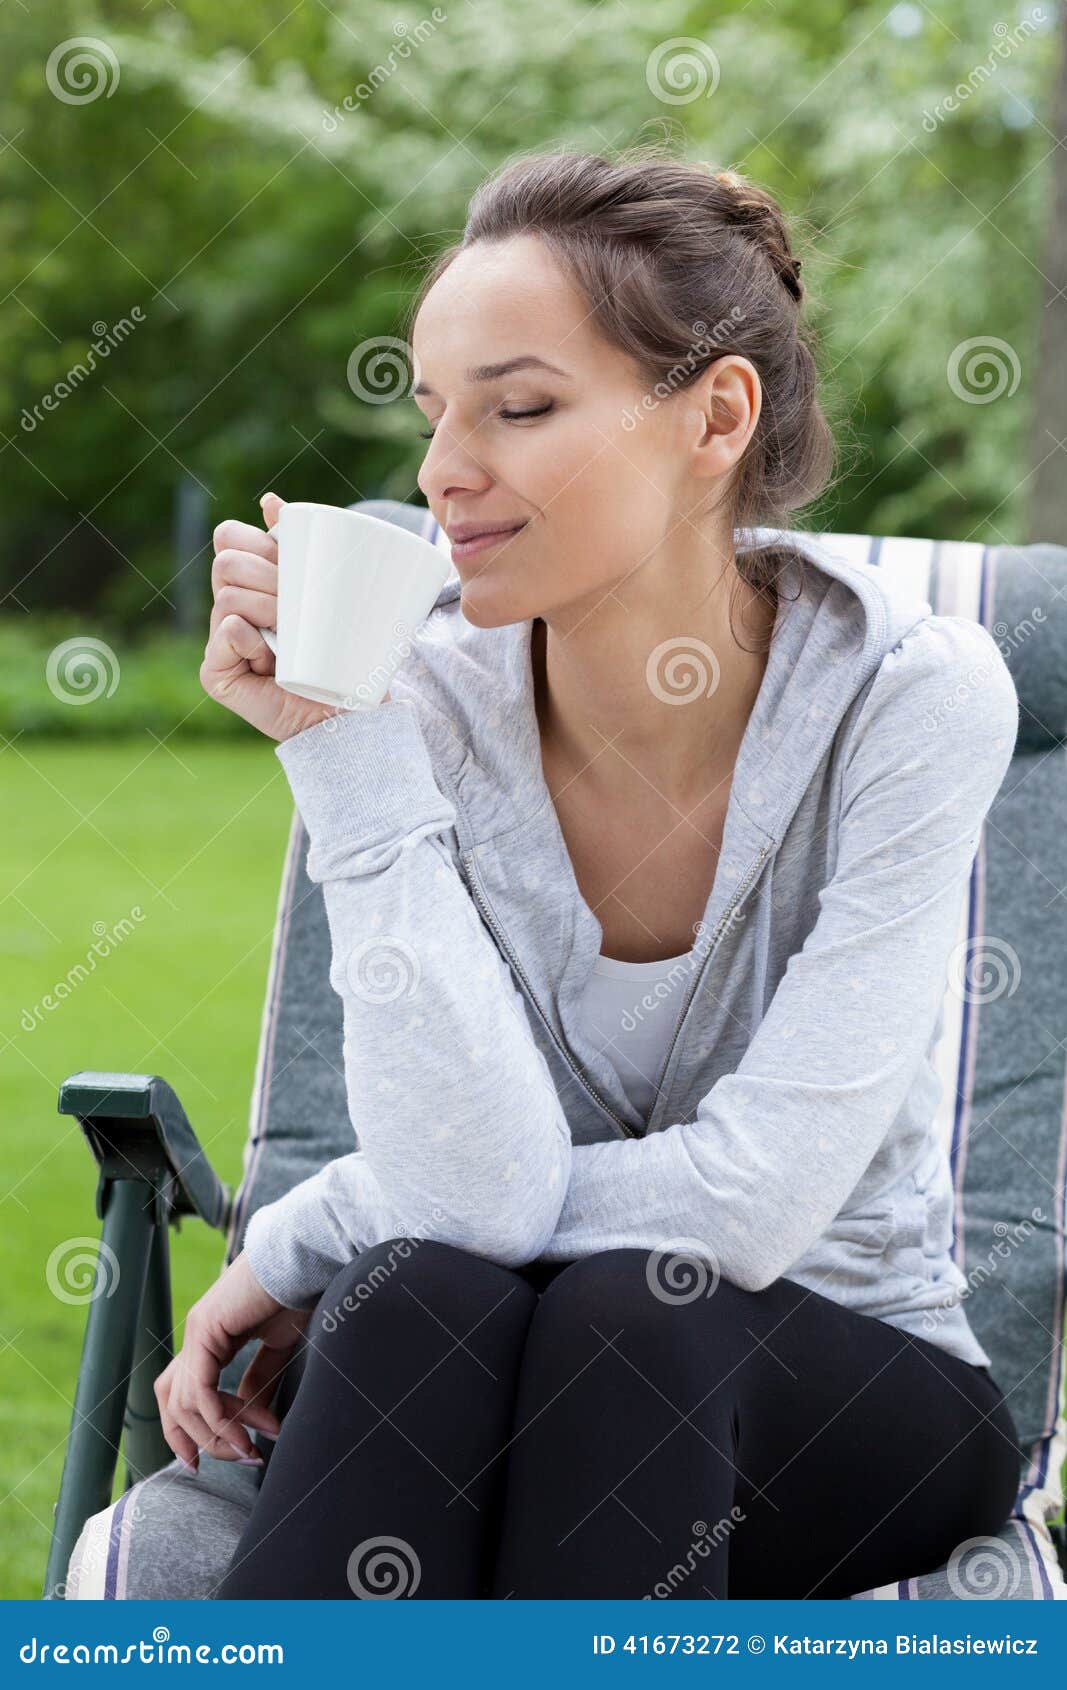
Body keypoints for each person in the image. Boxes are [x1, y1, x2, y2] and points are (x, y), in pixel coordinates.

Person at [155, 143, 1023, 1599]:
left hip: (846, 1376)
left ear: (716, 416)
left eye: (523, 406)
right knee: (421, 1296)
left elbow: (744, 1206)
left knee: (626, 1306)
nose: (441, 473)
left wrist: (311, 1228)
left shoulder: (913, 696)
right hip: (498, 1347)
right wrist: (335, 743)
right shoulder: (412, 700)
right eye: (435, 415)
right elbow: (467, 1214)